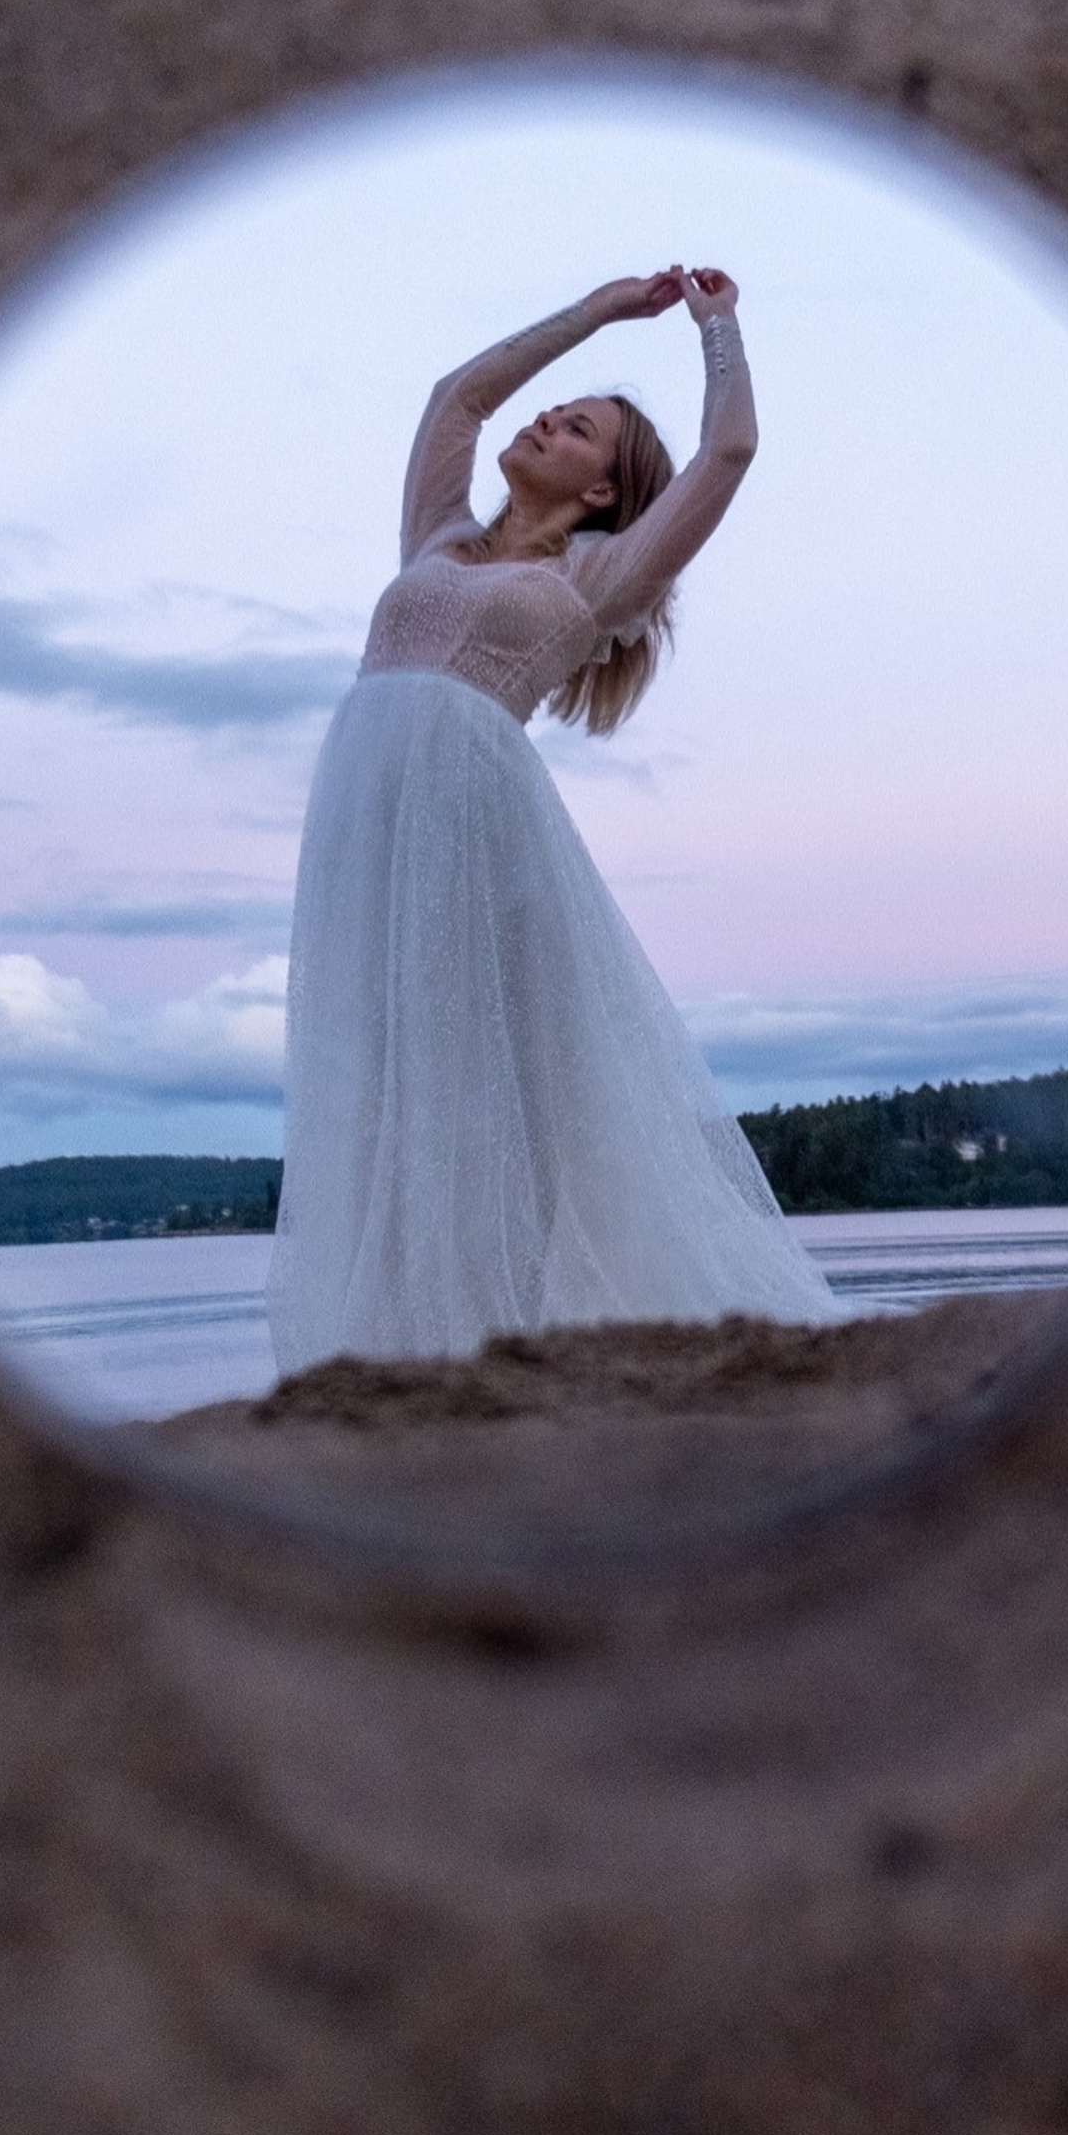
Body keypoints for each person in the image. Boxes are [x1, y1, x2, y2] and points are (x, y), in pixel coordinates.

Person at [265, 265, 840, 1377]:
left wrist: (716, 326)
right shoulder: (436, 538)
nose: (545, 421)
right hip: (366, 826)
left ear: (602, 492)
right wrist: (595, 313)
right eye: (556, 410)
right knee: (380, 1079)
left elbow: (728, 453)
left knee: (489, 1084)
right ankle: (401, 1348)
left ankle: (515, 1337)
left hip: (473, 826)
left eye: (578, 429)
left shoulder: (599, 575)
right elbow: (458, 400)